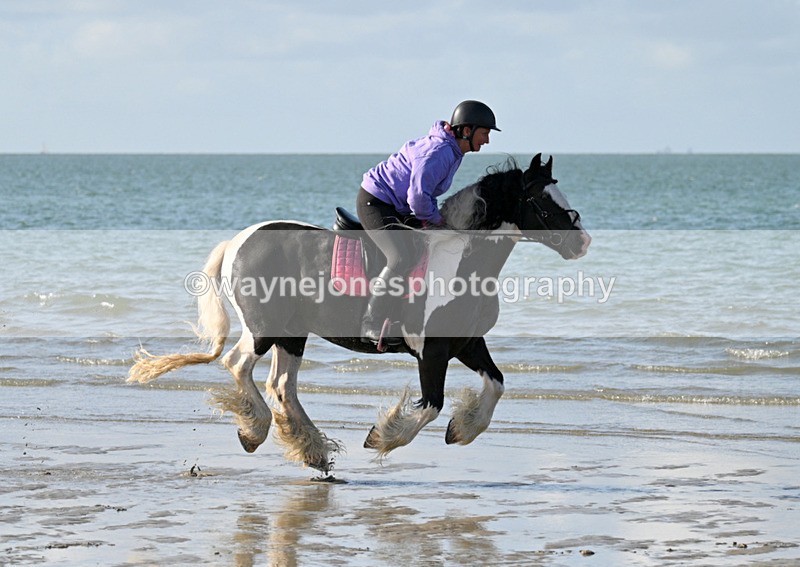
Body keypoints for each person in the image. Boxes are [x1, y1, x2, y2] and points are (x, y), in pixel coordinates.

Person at [356, 100, 500, 345]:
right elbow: (418, 196)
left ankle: (408, 315)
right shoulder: (440, 152)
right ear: (467, 130)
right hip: (376, 202)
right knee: (400, 257)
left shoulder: (453, 150)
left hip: (397, 204)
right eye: (484, 133)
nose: (487, 140)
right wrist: (436, 220)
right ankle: (370, 322)